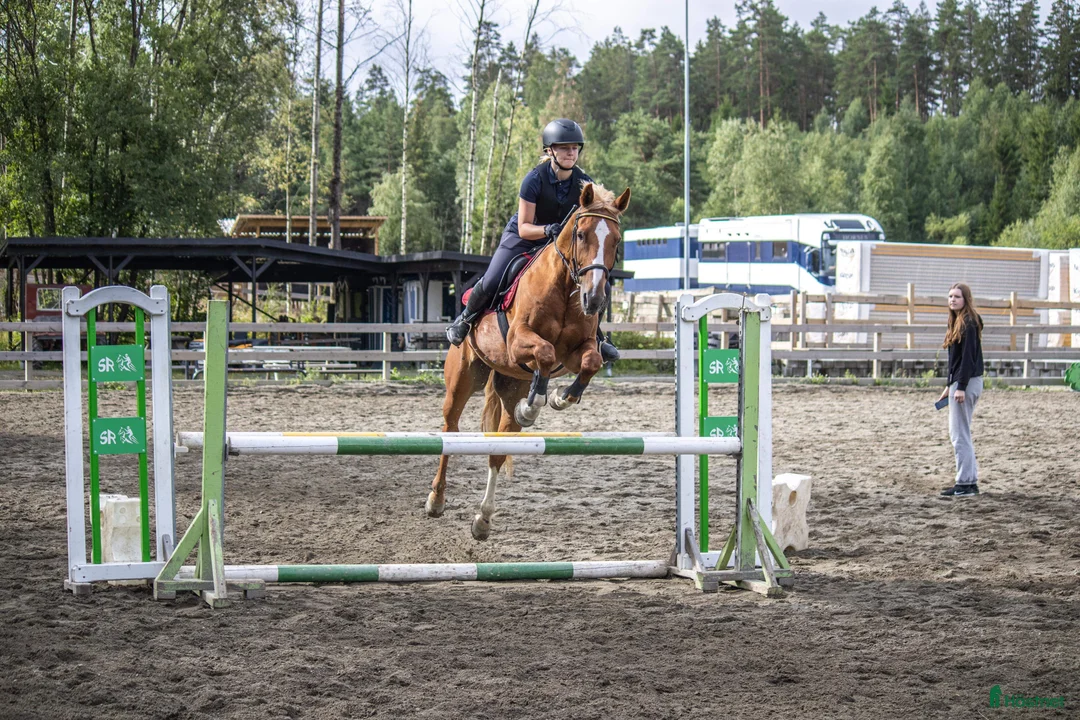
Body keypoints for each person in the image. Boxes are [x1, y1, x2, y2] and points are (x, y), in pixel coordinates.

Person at [445, 118, 620, 362]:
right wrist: (547, 229)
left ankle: (597, 336)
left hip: (559, 244)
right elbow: (524, 227)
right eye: (564, 148)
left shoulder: (584, 183)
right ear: (550, 151)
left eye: (574, 148)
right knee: (494, 277)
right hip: (524, 237)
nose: (571, 153)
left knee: (602, 285)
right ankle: (465, 319)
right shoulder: (534, 179)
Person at [938, 282, 985, 497]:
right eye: (950, 296)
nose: (952, 300)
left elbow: (967, 359)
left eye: (957, 296)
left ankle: (965, 483)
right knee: (961, 432)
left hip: (967, 382)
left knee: (959, 434)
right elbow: (955, 361)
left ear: (966, 299)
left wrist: (961, 386)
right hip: (961, 382)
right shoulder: (958, 321)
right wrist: (950, 385)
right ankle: (969, 481)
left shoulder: (968, 322)